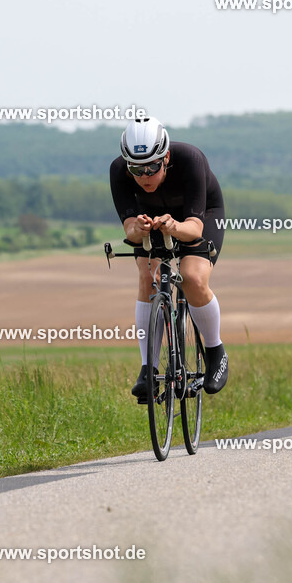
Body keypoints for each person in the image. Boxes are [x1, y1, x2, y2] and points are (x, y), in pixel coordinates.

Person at [110, 116, 228, 396]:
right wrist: (138, 229)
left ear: (166, 157)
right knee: (147, 277)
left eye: (152, 167)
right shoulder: (118, 171)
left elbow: (195, 228)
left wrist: (173, 226)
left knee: (192, 277)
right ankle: (147, 369)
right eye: (136, 169)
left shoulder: (191, 159)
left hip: (199, 216)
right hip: (152, 218)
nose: (145, 177)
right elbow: (129, 230)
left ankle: (215, 352)